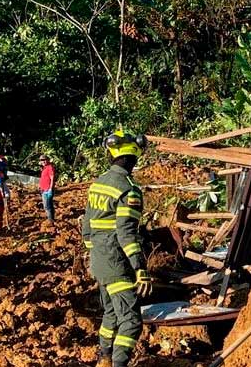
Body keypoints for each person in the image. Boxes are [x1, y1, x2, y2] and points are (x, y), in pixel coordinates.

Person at [82, 131, 151, 367]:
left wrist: (97, 254)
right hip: (117, 263)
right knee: (131, 321)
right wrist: (140, 268)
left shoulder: (98, 184)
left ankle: (104, 358)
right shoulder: (128, 189)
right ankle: (119, 363)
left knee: (110, 313)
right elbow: (126, 234)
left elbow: (87, 229)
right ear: (133, 158)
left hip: (99, 262)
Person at [39, 156, 57, 223]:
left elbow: (52, 178)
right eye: (41, 160)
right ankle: (52, 218)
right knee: (49, 205)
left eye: (44, 160)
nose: (43, 161)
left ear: (48, 160)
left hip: (47, 190)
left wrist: (50, 189)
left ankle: (50, 220)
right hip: (43, 189)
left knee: (47, 206)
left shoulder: (50, 167)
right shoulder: (44, 168)